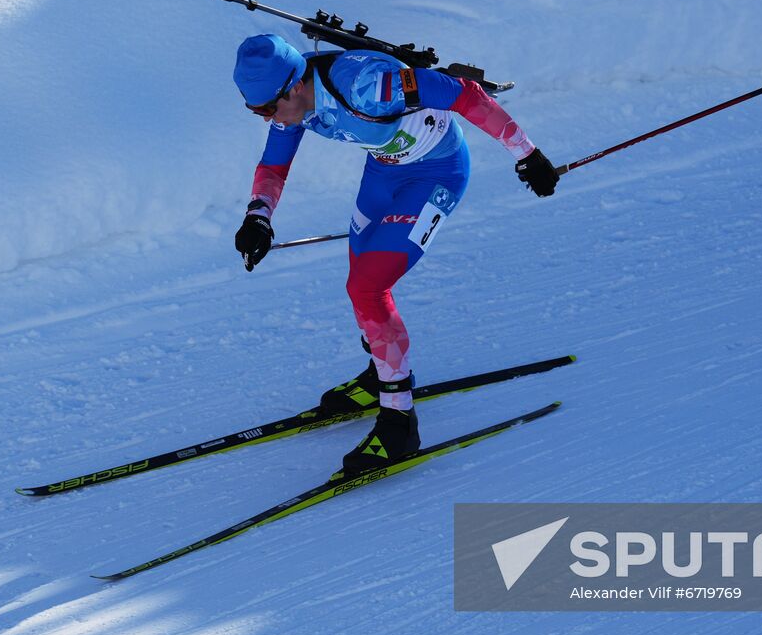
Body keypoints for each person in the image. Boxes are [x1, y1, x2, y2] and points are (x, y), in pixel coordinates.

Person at [231, 33, 559, 477]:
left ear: (293, 86)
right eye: (256, 112)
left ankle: (399, 419)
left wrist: (527, 154)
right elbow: (273, 166)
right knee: (358, 276)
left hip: (436, 174)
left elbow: (463, 94)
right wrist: (259, 217)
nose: (267, 119)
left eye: (267, 109)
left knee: (369, 286)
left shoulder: (368, 85)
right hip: (384, 173)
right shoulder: (292, 102)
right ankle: (380, 370)